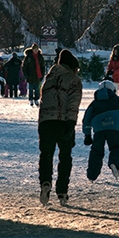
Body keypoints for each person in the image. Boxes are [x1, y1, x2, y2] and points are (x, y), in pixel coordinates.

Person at [37, 49, 83, 206]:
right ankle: (62, 191)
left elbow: (43, 102)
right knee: (65, 156)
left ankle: (45, 182)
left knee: (46, 154)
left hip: (46, 122)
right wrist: (71, 122)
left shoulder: (48, 78)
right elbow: (73, 103)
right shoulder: (73, 80)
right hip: (63, 121)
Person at [82, 80, 119, 181]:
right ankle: (114, 163)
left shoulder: (94, 103)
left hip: (99, 130)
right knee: (117, 147)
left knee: (96, 151)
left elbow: (87, 119)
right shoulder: (118, 100)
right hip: (114, 128)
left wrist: (87, 134)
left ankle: (92, 175)